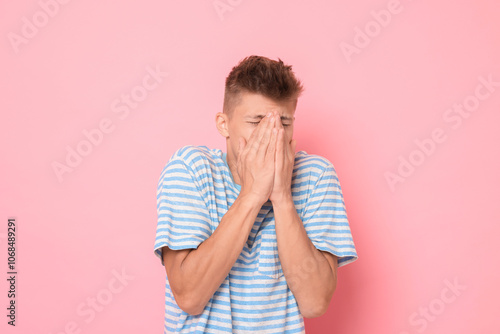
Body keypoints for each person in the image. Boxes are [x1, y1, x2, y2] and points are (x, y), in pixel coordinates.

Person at [153, 55, 358, 333]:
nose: (272, 135)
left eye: (283, 123)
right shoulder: (190, 169)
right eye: (256, 122)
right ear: (224, 124)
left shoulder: (316, 176)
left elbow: (314, 303)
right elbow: (189, 297)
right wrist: (252, 194)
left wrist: (282, 197)